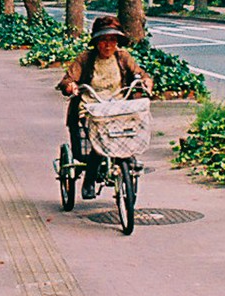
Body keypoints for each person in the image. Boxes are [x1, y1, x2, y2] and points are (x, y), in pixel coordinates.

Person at [57, 15, 153, 198]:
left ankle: (127, 160)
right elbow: (67, 80)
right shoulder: (85, 59)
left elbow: (139, 74)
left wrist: (146, 81)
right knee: (99, 140)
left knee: (129, 130)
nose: (108, 45)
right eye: (103, 40)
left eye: (112, 40)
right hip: (92, 108)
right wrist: (71, 86)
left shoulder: (123, 57)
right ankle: (89, 180)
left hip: (118, 107)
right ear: (96, 42)